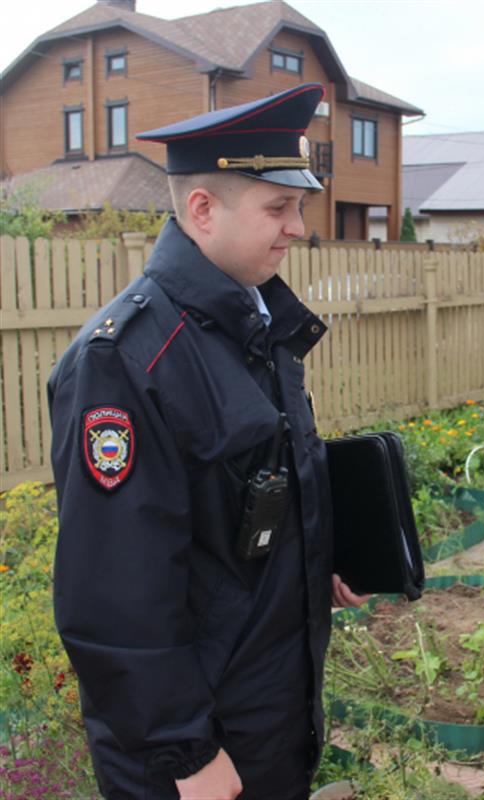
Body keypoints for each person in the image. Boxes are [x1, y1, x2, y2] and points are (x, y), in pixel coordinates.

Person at [48, 83, 368, 799]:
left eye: (299, 209)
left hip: (268, 709)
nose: (297, 228)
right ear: (202, 210)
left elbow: (248, 504)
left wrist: (320, 561)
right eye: (277, 208)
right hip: (197, 745)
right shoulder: (126, 360)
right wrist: (182, 753)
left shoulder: (253, 324)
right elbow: (115, 590)